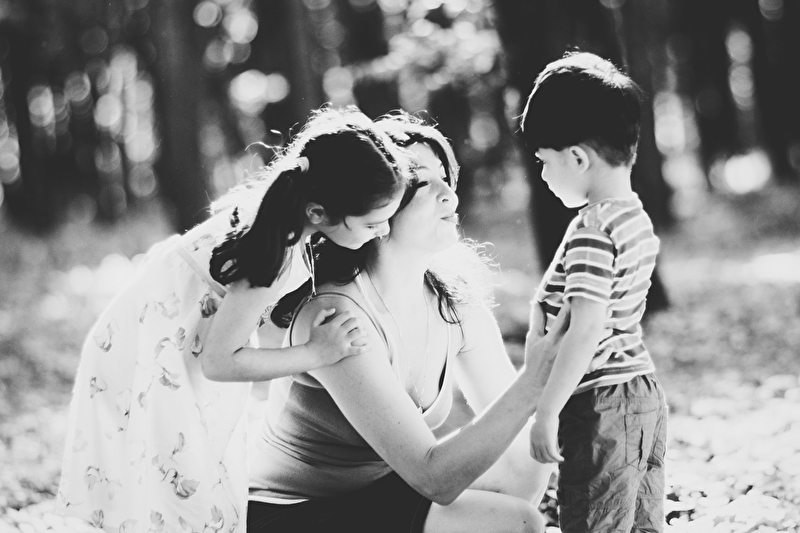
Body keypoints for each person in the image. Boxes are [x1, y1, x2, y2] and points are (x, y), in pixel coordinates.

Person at [56, 107, 409, 533]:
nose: (384, 231)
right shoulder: (273, 251)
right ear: (318, 213)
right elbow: (220, 361)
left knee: (177, 486)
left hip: (157, 341)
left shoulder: (277, 216)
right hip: (153, 357)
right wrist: (316, 352)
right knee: (182, 491)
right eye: (373, 222)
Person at [246, 112, 568, 533]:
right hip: (291, 514)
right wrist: (534, 381)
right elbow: (433, 477)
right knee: (518, 523)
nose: (449, 196)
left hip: (379, 496)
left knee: (524, 463)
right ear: (375, 203)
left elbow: (516, 427)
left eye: (445, 178)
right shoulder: (336, 319)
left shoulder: (454, 305)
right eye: (421, 181)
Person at [519, 51, 668, 532]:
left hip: (599, 401)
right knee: (640, 521)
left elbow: (585, 328)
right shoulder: (635, 218)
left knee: (594, 521)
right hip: (642, 391)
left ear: (578, 158)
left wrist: (546, 411)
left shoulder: (592, 230)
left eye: (544, 162)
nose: (542, 175)